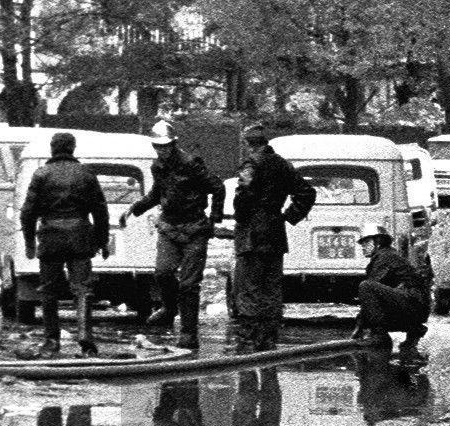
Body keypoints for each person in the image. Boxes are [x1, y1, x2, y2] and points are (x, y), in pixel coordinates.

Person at [122, 117, 225, 354]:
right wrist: (134, 209)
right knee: (162, 272)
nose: (162, 151)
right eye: (158, 147)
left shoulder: (191, 164)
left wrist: (214, 219)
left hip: (194, 229)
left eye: (165, 146)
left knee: (189, 284)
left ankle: (189, 334)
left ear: (174, 144)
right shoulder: (157, 167)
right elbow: (157, 194)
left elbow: (217, 188)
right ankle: (169, 308)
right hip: (169, 227)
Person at [19, 128, 110, 356]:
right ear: (73, 149)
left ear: (52, 149)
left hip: (50, 237)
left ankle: (51, 341)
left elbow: (27, 212)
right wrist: (102, 240)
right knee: (83, 290)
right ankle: (85, 338)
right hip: (79, 236)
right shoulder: (86, 174)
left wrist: (30, 242)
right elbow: (100, 211)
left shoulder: (41, 175)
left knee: (49, 291)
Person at [230, 116, 316, 352]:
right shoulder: (283, 164)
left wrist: (241, 217)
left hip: (251, 234)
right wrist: (288, 216)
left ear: (247, 143)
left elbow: (243, 197)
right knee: (271, 287)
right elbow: (307, 193)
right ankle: (268, 339)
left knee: (249, 288)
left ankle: (248, 340)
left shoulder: (250, 165)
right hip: (275, 232)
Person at [355, 226, 431, 369]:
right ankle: (414, 329)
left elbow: (371, 291)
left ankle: (380, 335)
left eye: (366, 243)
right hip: (415, 306)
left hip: (413, 303)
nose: (362, 247)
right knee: (372, 302)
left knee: (366, 286)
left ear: (378, 242)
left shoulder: (385, 257)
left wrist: (362, 325)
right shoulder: (386, 256)